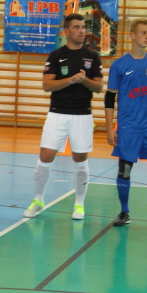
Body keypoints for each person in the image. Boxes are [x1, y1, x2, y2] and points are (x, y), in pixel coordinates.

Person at [23, 14, 103, 220]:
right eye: (76, 27)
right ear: (67, 31)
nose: (81, 31)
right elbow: (46, 85)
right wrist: (70, 80)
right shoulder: (56, 55)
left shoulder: (92, 56)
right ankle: (38, 199)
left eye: (83, 27)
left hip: (82, 114)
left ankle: (79, 204)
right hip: (57, 113)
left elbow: (98, 87)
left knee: (80, 158)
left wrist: (83, 80)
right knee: (45, 156)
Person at [104, 18, 147, 229]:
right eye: (143, 32)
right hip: (128, 127)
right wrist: (110, 128)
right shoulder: (119, 65)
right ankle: (124, 212)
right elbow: (109, 97)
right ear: (132, 36)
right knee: (124, 169)